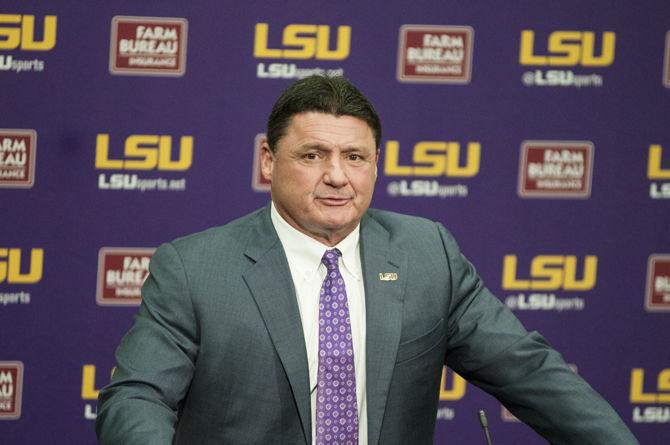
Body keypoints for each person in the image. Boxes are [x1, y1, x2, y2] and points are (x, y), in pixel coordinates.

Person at [96, 75, 638, 445]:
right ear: (268, 159)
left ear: (376, 163)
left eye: (354, 157)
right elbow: (137, 397)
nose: (337, 176)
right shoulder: (194, 269)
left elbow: (528, 370)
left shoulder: (429, 254)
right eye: (313, 156)